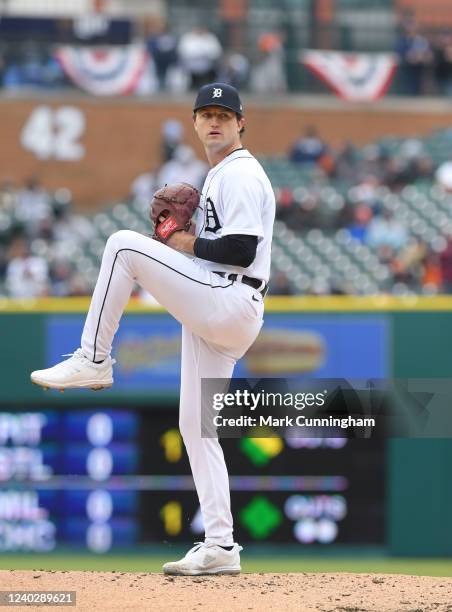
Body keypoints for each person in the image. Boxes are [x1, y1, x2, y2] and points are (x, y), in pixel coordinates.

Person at [30, 82, 275, 575]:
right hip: (223, 305)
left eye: (224, 115)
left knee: (123, 245)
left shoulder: (241, 173)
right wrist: (186, 242)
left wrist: (182, 243)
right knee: (195, 425)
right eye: (205, 113)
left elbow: (243, 249)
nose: (214, 122)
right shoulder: (219, 175)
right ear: (193, 122)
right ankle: (221, 546)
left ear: (241, 123)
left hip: (230, 294)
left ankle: (94, 359)